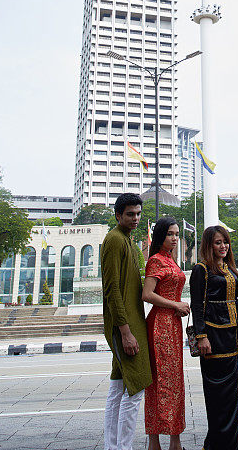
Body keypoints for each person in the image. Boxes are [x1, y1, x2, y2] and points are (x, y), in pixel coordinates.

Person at [101, 193, 152, 450]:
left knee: (118, 388)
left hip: (133, 322)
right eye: (130, 214)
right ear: (118, 215)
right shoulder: (114, 240)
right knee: (136, 388)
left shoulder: (129, 241)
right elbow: (111, 289)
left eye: (138, 214)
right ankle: (122, 447)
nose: (135, 218)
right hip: (125, 326)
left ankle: (115, 446)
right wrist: (125, 331)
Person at [190, 225, 238, 450]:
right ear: (209, 245)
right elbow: (197, 305)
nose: (223, 246)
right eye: (218, 243)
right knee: (217, 396)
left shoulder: (230, 269)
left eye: (225, 242)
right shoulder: (201, 269)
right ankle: (215, 445)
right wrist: (202, 336)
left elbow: (234, 300)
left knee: (232, 395)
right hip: (212, 337)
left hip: (231, 336)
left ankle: (232, 444)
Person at [142, 217, 190, 450]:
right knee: (160, 382)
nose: (174, 238)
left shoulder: (170, 260)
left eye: (176, 234)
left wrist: (177, 307)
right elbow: (147, 294)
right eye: (170, 234)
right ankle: (154, 442)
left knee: (174, 381)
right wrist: (175, 305)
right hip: (160, 325)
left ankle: (174, 440)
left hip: (173, 325)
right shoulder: (155, 260)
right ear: (161, 235)